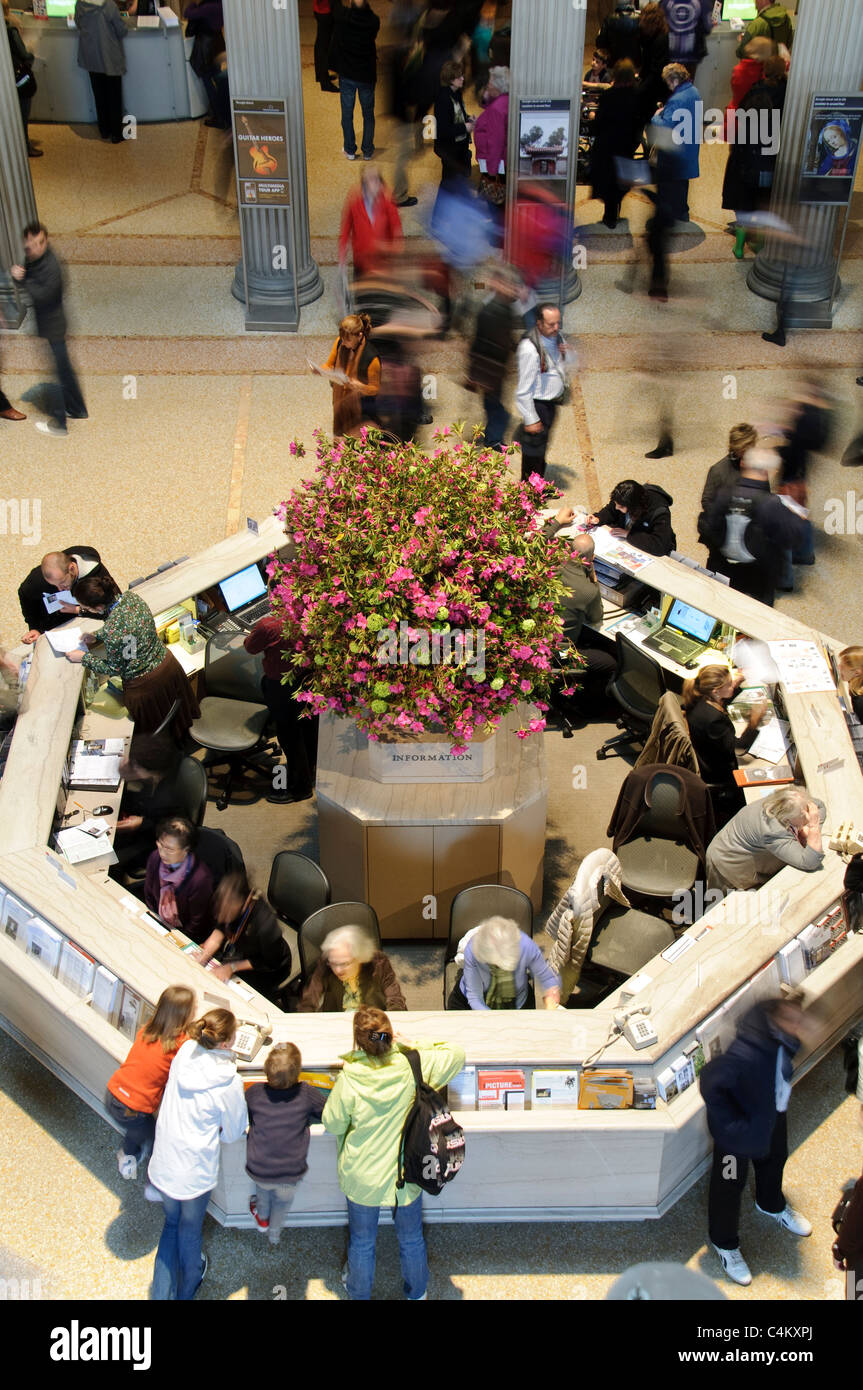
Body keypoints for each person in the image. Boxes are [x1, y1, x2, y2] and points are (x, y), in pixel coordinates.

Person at [322, 1005, 465, 1300]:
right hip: (406, 1175)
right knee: (411, 1239)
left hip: (363, 1178)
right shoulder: (412, 1065)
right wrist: (410, 1042)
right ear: (389, 1035)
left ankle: (359, 1293)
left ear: (358, 1041)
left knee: (362, 1242)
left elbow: (332, 1122)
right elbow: (456, 1053)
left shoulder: (350, 1078)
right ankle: (417, 1293)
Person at [700, 996, 813, 1287]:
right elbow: (711, 1082)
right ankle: (725, 1244)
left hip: (771, 1115)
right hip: (734, 1137)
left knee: (775, 1160)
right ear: (775, 1020)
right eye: (792, 1020)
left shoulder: (784, 1040)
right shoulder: (745, 1053)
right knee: (727, 1188)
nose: (798, 1026)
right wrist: (731, 1127)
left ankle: (771, 1203)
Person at [147, 1008, 247, 1300]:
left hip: (164, 1161)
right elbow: (232, 1133)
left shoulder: (186, 1051)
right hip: (193, 1173)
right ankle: (188, 1287)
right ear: (227, 1043)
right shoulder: (229, 1083)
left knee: (171, 1225)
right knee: (190, 1231)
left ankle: (160, 1294)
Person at [65, 572, 201, 740]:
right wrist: (99, 636)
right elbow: (131, 631)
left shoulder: (113, 630)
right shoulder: (131, 598)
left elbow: (114, 668)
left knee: (156, 734)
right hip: (169, 667)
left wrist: (84, 658)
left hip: (146, 688)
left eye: (87, 608)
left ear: (99, 608)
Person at [106, 985, 195, 1180]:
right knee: (154, 1137)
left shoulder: (147, 1029)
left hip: (113, 1094)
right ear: (186, 1015)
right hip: (132, 1109)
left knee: (139, 1129)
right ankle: (139, 1164)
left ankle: (130, 1153)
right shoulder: (180, 1045)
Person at [701, 446, 807, 607]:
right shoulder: (771, 504)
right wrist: (799, 509)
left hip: (722, 573)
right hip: (757, 582)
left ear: (743, 464)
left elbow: (705, 527)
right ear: (767, 471)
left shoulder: (723, 494)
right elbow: (794, 539)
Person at [11, 223, 88, 438]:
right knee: (65, 370)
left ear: (45, 241)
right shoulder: (33, 259)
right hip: (50, 325)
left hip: (53, 326)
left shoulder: (51, 265)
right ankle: (77, 409)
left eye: (39, 243)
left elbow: (44, 295)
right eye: (31, 243)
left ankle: (59, 424)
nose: (34, 247)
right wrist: (22, 280)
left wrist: (22, 280)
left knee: (57, 375)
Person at [245, 1043, 327, 1245]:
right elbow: (326, 1112)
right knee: (282, 1205)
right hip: (291, 1172)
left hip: (259, 1169)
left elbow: (243, 1112)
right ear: (298, 1072)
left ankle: (261, 1219)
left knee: (262, 1194)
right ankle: (274, 1233)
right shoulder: (306, 1093)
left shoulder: (255, 1092)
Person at [543, 513, 616, 714]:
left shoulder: (552, 562)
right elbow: (596, 618)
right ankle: (588, 706)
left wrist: (557, 521)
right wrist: (594, 581)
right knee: (610, 663)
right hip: (560, 653)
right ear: (591, 559)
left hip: (536, 642)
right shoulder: (588, 591)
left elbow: (539, 540)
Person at [243, 609, 318, 804]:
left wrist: (254, 632)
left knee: (290, 736)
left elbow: (249, 647)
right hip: (310, 678)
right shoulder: (310, 610)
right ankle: (311, 770)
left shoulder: (268, 625)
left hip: (283, 687)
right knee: (309, 728)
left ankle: (300, 788)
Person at [683, 665, 767, 829]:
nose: (732, 686)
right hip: (718, 772)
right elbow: (738, 748)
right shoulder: (712, 719)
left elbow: (723, 698)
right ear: (715, 691)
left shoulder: (700, 699)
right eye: (728, 684)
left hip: (708, 754)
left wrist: (734, 685)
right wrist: (754, 721)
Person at [193, 870, 292, 1004]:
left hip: (268, 967)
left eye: (228, 911)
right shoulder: (227, 906)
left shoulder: (265, 924)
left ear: (245, 902)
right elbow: (219, 931)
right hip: (242, 952)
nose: (223, 915)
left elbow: (269, 962)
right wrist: (203, 957)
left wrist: (232, 967)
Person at [705, 788, 826, 894]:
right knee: (720, 903)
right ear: (787, 820)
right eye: (803, 817)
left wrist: (804, 829)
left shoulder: (783, 800)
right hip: (726, 862)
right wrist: (813, 826)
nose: (808, 817)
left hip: (730, 842)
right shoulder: (774, 830)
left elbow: (819, 805)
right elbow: (810, 861)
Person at [448, 915, 561, 1010]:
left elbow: (546, 976)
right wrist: (496, 1021)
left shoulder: (526, 945)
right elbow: (474, 997)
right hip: (469, 1002)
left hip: (518, 1000)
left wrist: (552, 991)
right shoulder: (473, 950)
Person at [514, 303, 570, 482]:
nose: (556, 328)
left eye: (558, 323)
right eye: (551, 324)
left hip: (550, 403)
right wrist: (531, 418)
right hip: (538, 405)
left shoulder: (557, 337)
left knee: (541, 449)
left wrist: (568, 354)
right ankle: (529, 491)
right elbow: (523, 390)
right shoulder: (529, 350)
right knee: (533, 452)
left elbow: (561, 364)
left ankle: (538, 485)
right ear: (539, 323)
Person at [113, 734, 186, 872]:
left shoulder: (166, 797)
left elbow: (162, 826)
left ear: (152, 772)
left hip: (156, 843)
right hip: (151, 819)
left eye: (135, 765)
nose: (129, 765)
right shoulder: (158, 774)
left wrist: (142, 823)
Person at [466, 261, 518, 450]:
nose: (512, 289)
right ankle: (493, 439)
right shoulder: (490, 311)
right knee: (494, 405)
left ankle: (494, 434)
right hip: (490, 370)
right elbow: (482, 343)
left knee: (494, 404)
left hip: (494, 369)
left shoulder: (502, 307)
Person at [299, 925, 407, 1013]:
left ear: (360, 957)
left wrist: (390, 1025)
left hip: (372, 1022)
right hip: (337, 1022)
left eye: (344, 963)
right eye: (333, 963)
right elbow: (309, 999)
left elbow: (395, 999)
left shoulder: (379, 963)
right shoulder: (326, 962)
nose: (338, 970)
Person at [18, 545, 112, 643]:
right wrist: (35, 628)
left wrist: (78, 610)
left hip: (91, 618)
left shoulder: (96, 575)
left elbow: (111, 608)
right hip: (57, 624)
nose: (59, 589)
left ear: (71, 569)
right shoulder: (37, 579)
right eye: (54, 585)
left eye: (62, 582)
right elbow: (25, 595)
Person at [589, 59, 642, 230]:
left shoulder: (609, 96)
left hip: (607, 145)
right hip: (626, 145)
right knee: (620, 180)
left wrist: (592, 118)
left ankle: (610, 215)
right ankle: (614, 210)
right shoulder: (637, 95)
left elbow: (599, 124)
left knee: (608, 180)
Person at [144, 817, 214, 943]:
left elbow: (197, 922)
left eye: (170, 849)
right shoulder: (155, 858)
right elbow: (149, 894)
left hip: (184, 933)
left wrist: (174, 939)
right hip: (157, 921)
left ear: (186, 850)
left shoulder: (200, 879)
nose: (162, 853)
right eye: (160, 844)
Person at [315, 312, 381, 439]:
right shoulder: (340, 342)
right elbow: (329, 365)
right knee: (340, 437)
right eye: (342, 338)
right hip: (341, 400)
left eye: (348, 339)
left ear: (359, 336)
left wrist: (359, 386)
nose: (344, 343)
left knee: (357, 443)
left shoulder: (371, 358)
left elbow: (375, 389)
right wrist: (320, 370)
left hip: (361, 407)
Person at [331, 0, 380, 162]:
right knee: (368, 114)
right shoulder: (374, 21)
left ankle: (350, 149)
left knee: (347, 114)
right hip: (366, 75)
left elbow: (336, 7)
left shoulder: (343, 18)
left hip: (348, 74)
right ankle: (367, 151)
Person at [74, 0, 128, 144]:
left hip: (91, 56)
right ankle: (116, 133)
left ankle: (104, 130)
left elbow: (78, 24)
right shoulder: (109, 5)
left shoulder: (80, 4)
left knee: (99, 94)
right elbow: (121, 30)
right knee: (114, 96)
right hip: (109, 56)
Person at [338, 165, 403, 280]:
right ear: (364, 183)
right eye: (370, 179)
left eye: (376, 179)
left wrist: (389, 248)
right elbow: (346, 228)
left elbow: (397, 231)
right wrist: (342, 255)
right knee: (361, 293)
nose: (374, 183)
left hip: (383, 263)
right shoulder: (354, 201)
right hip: (361, 260)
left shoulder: (388, 201)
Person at [696, 423, 758, 542]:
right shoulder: (718, 470)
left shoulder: (758, 469)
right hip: (726, 530)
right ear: (736, 447)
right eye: (745, 449)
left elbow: (765, 494)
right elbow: (707, 500)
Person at [589, 478, 677, 556]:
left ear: (633, 507)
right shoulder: (622, 499)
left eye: (621, 507)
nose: (616, 508)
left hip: (649, 549)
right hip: (627, 541)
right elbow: (611, 510)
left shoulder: (659, 512)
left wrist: (628, 534)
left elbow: (659, 545)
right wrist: (598, 518)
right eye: (616, 504)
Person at [3, 1, 40, 157]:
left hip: (5, 82)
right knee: (22, 114)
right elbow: (24, 55)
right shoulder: (11, 29)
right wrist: (31, 52)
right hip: (18, 79)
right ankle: (25, 146)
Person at [472, 65, 508, 211]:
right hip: (502, 160)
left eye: (490, 83)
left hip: (493, 161)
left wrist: (492, 171)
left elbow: (496, 141)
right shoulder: (504, 100)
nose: (487, 86)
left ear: (498, 86)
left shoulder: (496, 109)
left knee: (494, 200)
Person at [433, 59, 474, 186]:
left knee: (456, 184)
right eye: (459, 76)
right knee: (449, 183)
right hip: (450, 150)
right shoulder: (443, 99)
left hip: (459, 147)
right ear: (451, 79)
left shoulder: (456, 93)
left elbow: (457, 115)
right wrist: (464, 127)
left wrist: (467, 119)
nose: (462, 78)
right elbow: (443, 129)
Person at [636, 3, 670, 129]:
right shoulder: (656, 36)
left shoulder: (659, 40)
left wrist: (639, 90)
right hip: (654, 87)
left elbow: (655, 71)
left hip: (655, 91)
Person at [659, 0, 714, 76]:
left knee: (670, 83)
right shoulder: (703, 2)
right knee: (687, 84)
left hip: (669, 54)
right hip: (691, 55)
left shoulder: (665, 2)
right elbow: (707, 28)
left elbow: (658, 26)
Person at [596, 1, 641, 67]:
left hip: (614, 64)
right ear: (631, 2)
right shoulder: (639, 18)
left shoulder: (609, 19)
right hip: (634, 64)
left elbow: (600, 42)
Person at [313, 0, 339, 92]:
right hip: (324, 10)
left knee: (322, 45)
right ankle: (324, 82)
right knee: (322, 47)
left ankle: (321, 75)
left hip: (324, 8)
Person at [838, 647, 863, 722]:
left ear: (856, 673)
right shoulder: (856, 680)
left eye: (842, 667)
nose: (838, 667)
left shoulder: (859, 702)